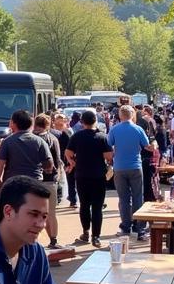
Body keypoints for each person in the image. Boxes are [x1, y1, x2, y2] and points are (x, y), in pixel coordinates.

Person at [65, 109, 113, 247]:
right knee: (97, 207)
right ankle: (96, 236)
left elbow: (68, 152)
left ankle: (85, 232)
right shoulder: (102, 137)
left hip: (81, 175)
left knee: (84, 205)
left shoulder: (76, 136)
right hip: (98, 175)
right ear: (95, 121)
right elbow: (109, 156)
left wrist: (72, 161)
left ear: (82, 122)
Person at [0, 109, 53, 204]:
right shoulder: (40, 141)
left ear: (12, 123)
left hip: (12, 186)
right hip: (34, 185)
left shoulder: (7, 142)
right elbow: (49, 165)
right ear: (32, 124)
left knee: (13, 215)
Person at [107, 105, 151, 241]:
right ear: (132, 115)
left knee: (124, 199)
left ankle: (125, 227)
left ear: (120, 116)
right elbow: (147, 146)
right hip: (135, 166)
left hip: (119, 167)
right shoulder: (138, 129)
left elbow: (109, 145)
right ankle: (140, 229)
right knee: (138, 197)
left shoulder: (114, 129)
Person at [33, 113, 63, 248]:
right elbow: (57, 160)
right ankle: (54, 240)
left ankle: (33, 241)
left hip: (34, 179)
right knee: (51, 213)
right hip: (50, 180)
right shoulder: (53, 139)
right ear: (48, 125)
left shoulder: (31, 139)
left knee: (33, 212)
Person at [52, 112, 77, 208]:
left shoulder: (67, 132)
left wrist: (70, 161)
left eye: (61, 118)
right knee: (57, 179)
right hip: (56, 158)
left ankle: (73, 199)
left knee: (70, 179)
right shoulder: (52, 132)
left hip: (66, 158)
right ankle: (59, 197)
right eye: (58, 118)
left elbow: (71, 147)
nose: (60, 120)